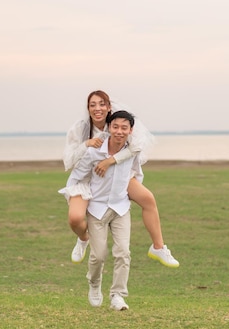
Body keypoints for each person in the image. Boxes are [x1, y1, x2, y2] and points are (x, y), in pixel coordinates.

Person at [59, 90, 179, 268]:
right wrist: (86, 144)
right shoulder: (81, 128)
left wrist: (110, 161)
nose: (97, 108)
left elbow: (137, 145)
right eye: (93, 105)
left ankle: (158, 247)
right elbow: (68, 161)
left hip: (115, 175)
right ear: (88, 109)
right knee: (75, 218)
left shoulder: (116, 123)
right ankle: (83, 239)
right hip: (86, 179)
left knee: (148, 199)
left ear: (109, 107)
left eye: (102, 104)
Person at [62, 110, 142, 310]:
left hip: (121, 208)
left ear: (130, 130)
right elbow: (77, 175)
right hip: (97, 209)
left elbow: (137, 174)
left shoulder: (132, 150)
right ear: (109, 128)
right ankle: (94, 283)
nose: (119, 131)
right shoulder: (94, 152)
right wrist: (75, 197)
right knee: (99, 255)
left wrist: (129, 194)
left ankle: (117, 295)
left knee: (123, 252)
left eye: (124, 128)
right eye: (115, 127)